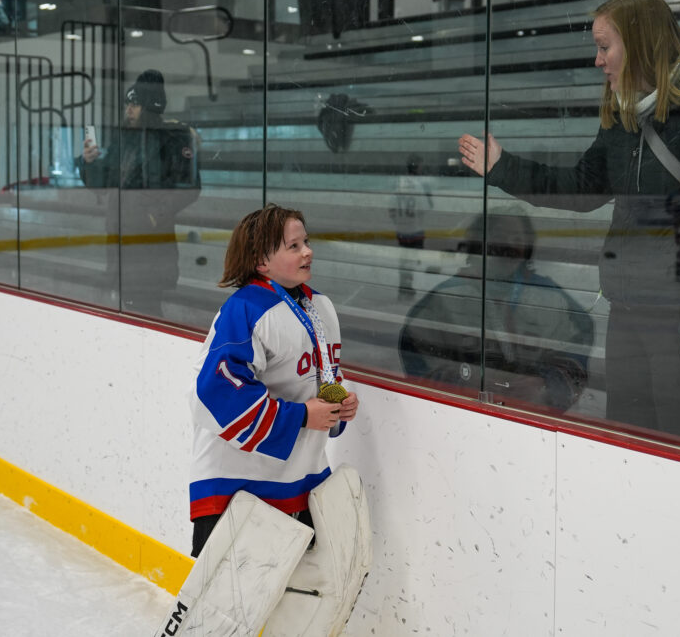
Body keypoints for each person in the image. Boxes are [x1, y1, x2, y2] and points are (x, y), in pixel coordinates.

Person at [458, 0, 680, 442]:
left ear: (640, 43)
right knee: (626, 438)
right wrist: (502, 167)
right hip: (630, 308)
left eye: (604, 47)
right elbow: (583, 187)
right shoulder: (627, 110)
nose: (598, 60)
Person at [187, 204, 359, 558]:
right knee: (227, 594)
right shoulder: (245, 309)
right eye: (293, 246)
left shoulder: (321, 307)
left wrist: (339, 401)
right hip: (237, 486)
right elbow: (214, 393)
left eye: (306, 242)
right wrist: (301, 416)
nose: (307, 251)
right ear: (260, 261)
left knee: (299, 589)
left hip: (301, 480)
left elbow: (323, 374)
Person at [399, 211, 594, 412]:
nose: (508, 245)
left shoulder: (549, 296)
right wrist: (463, 381)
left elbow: (577, 347)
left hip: (531, 420)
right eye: (500, 236)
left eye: (517, 239)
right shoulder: (447, 297)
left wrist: (545, 386)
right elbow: (416, 355)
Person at [78, 69, 200, 318]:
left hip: (149, 244)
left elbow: (189, 187)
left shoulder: (172, 139)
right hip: (121, 239)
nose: (129, 110)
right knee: (130, 308)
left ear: (149, 107)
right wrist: (89, 163)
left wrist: (154, 215)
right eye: (127, 104)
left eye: (135, 104)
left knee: (145, 308)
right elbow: (102, 184)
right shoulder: (124, 140)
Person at [388, 154, 433, 299]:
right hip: (415, 229)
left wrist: (398, 222)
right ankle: (408, 287)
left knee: (404, 259)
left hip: (402, 229)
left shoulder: (399, 183)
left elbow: (391, 208)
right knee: (413, 260)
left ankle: (404, 287)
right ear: (417, 167)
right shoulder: (419, 185)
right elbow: (425, 207)